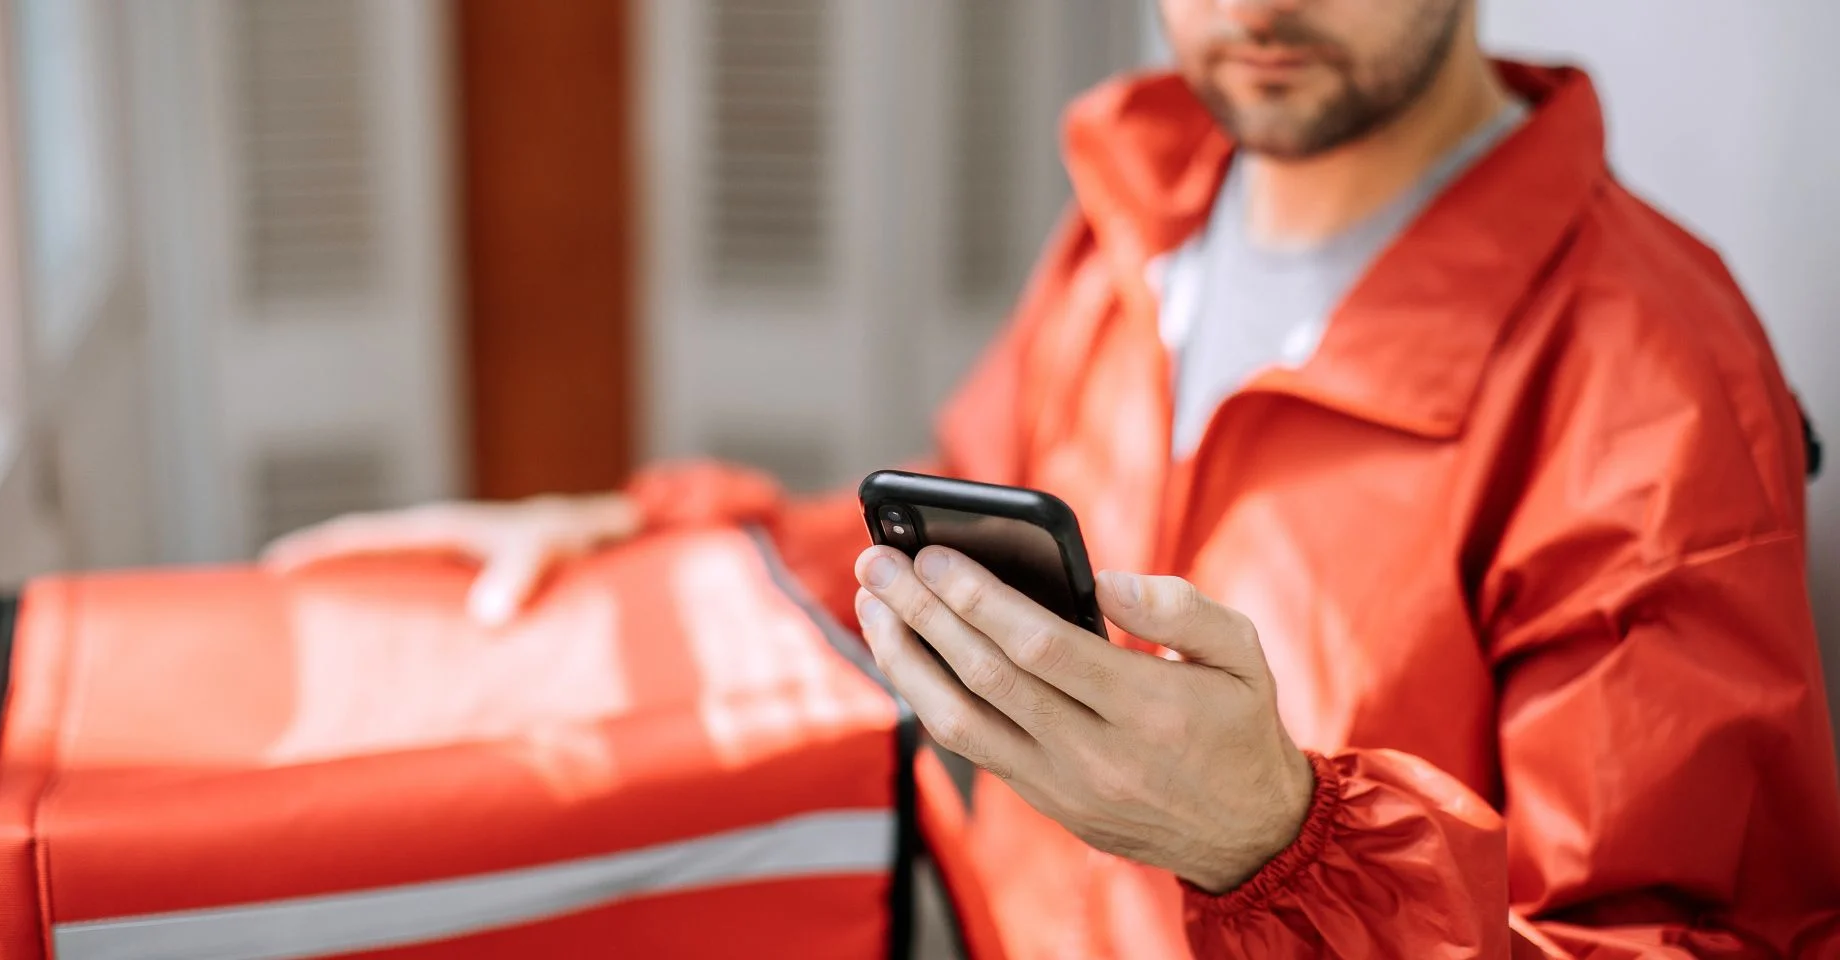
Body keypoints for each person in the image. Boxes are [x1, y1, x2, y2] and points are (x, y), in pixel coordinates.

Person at [267, 0, 1840, 955]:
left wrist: (1280, 844)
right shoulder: (1145, 205)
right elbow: (983, 521)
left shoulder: (1655, 386)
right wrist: (652, 540)